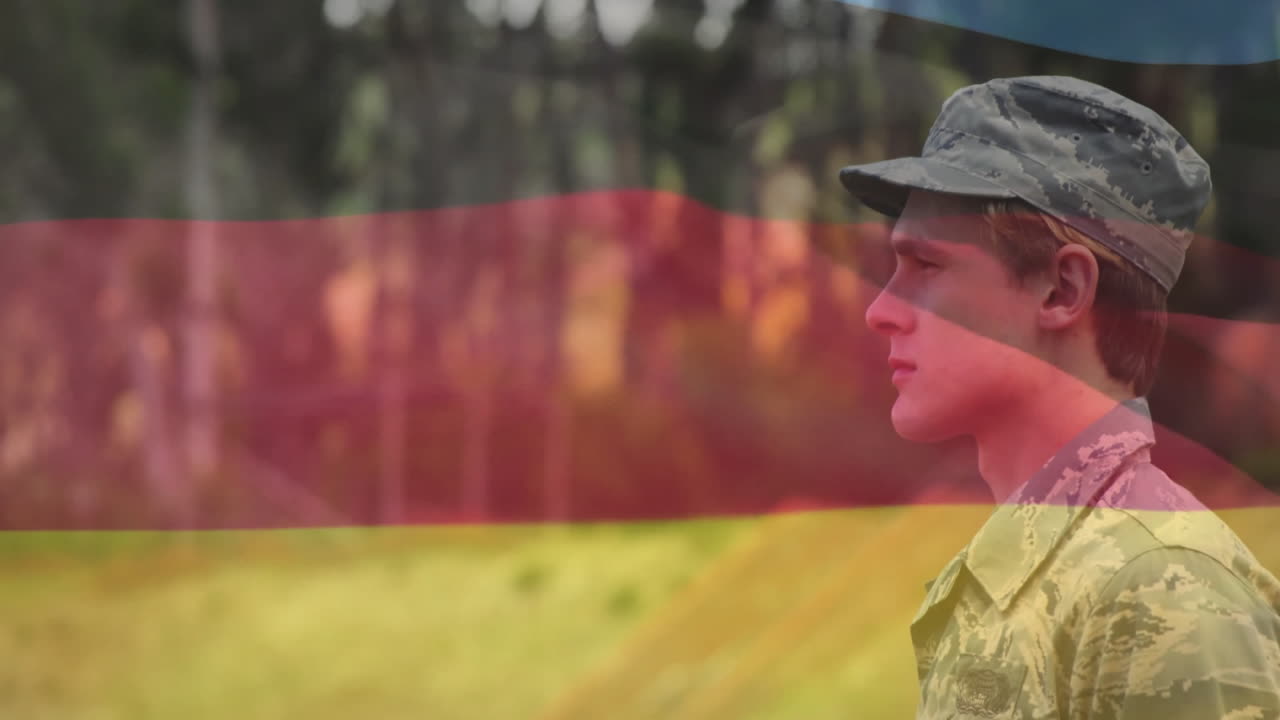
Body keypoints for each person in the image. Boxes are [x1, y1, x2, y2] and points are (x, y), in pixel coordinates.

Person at [838, 76, 1280, 718]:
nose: (882, 310)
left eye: (926, 267)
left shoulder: (1164, 591)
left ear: (1062, 290)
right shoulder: (1047, 568)